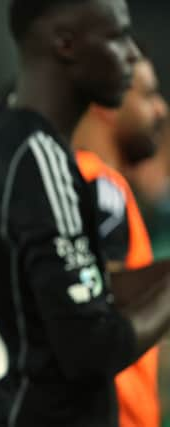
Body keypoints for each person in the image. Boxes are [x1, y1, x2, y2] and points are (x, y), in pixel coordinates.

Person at [0, 1, 170, 426]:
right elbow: (93, 349)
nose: (133, 55)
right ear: (66, 44)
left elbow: (61, 292)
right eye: (117, 37)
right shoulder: (41, 161)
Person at [74, 55, 168, 427]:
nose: (160, 108)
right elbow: (102, 290)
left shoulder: (73, 177)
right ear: (107, 104)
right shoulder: (98, 184)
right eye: (148, 94)